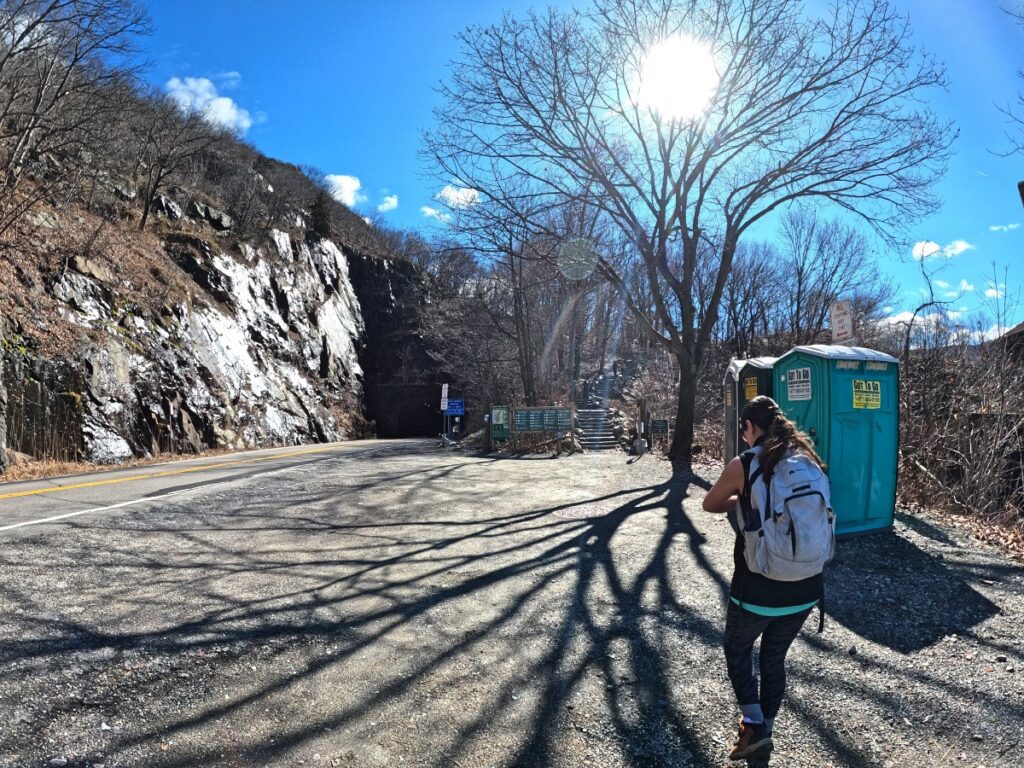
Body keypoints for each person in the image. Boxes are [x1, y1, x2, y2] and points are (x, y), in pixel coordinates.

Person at [702, 396, 826, 761]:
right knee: (773, 658)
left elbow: (710, 503)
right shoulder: (808, 460)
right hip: (807, 586)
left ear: (750, 427)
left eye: (743, 428)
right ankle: (765, 730)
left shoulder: (746, 463)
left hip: (757, 587)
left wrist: (743, 500)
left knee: (737, 648)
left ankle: (752, 726)